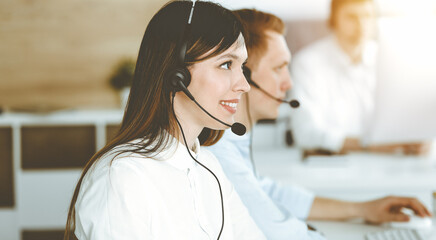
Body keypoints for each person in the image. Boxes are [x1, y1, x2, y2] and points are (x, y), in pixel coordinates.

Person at [204, 8, 432, 240]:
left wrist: (362, 209)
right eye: (278, 69)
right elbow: (278, 232)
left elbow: (267, 191)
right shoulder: (220, 154)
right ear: (243, 75)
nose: (288, 83)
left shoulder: (233, 141)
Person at [64, 1, 266, 239]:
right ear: (176, 75)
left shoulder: (208, 166)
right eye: (225, 64)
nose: (243, 85)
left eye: (242, 67)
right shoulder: (122, 178)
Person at [289, 0, 428, 155]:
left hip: (388, 162)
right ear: (334, 20)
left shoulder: (391, 60)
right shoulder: (308, 64)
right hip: (334, 165)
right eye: (351, 17)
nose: (361, 25)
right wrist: (371, 145)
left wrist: (414, 139)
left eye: (367, 16)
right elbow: (306, 134)